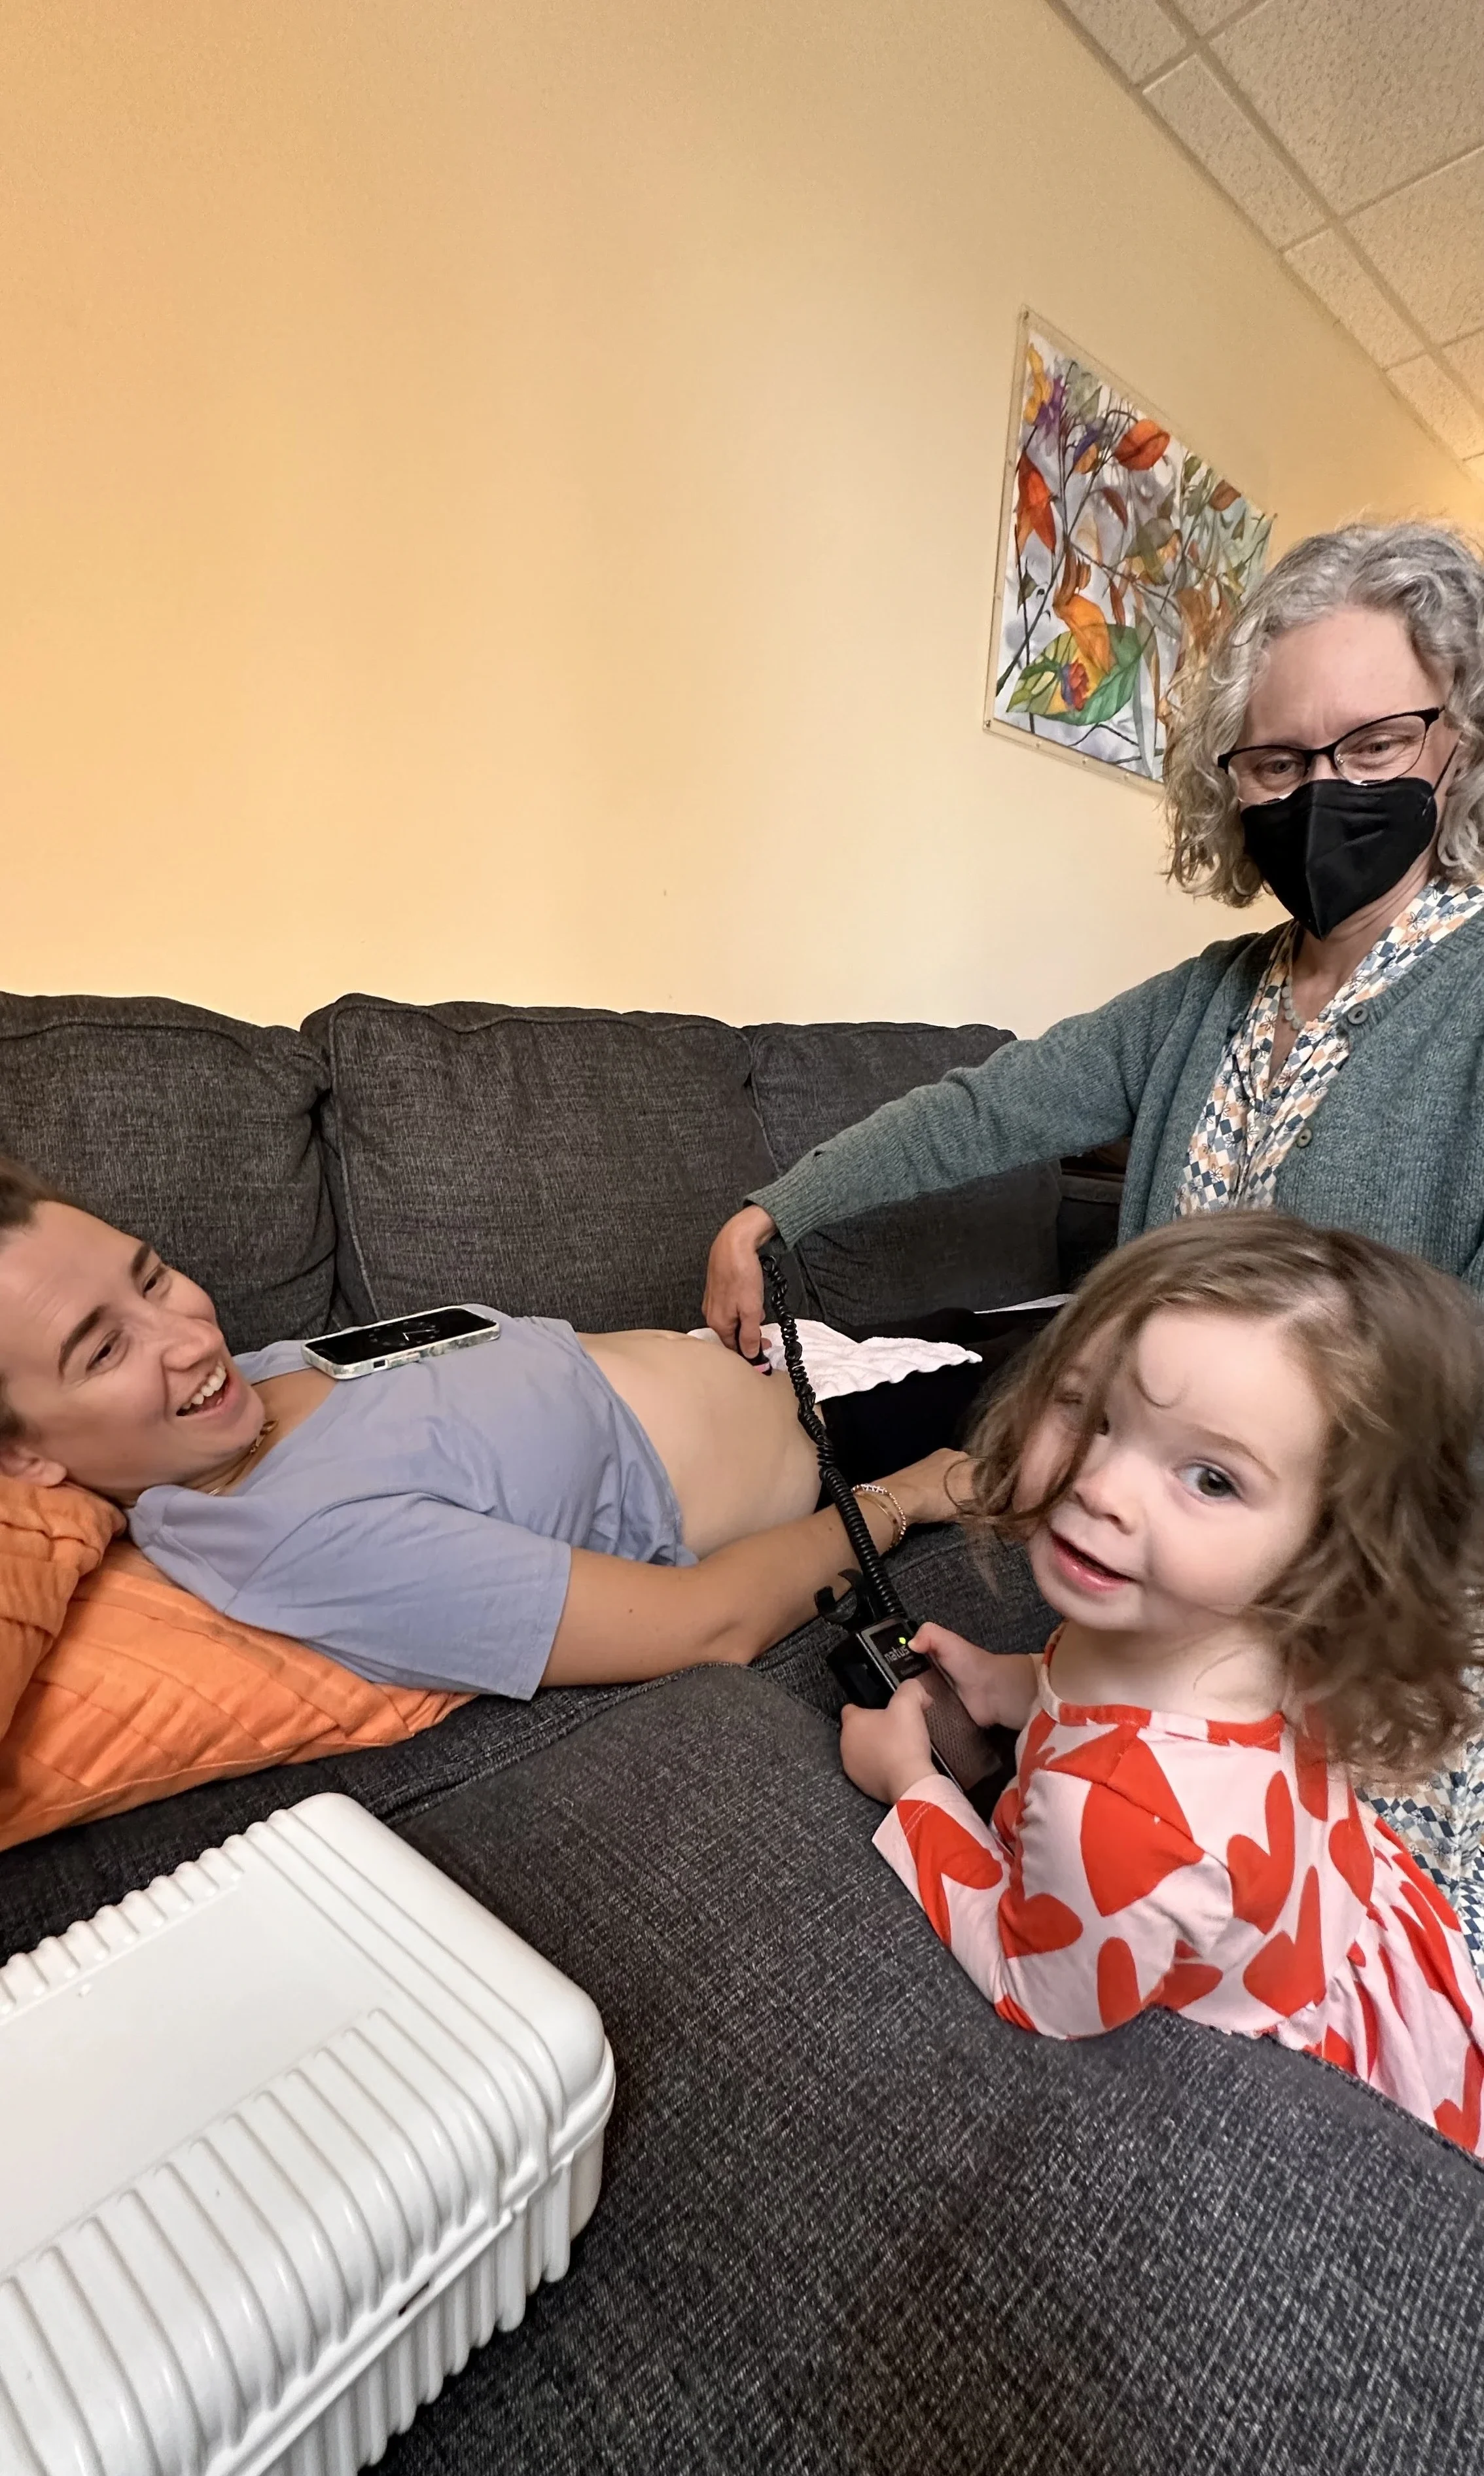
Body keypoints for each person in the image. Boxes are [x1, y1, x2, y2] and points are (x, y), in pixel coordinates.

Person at [704, 520, 1484, 1354]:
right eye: (1278, 764)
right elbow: (988, 1111)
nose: (1324, 788)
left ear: (1463, 747)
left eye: (1377, 745)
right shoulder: (1200, 1000)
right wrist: (774, 1212)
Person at [838, 1215, 1484, 2152]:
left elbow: (1034, 1986)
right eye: (1091, 1412)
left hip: (1308, 2060)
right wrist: (1010, 1686)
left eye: (1212, 1479)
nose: (1102, 1488)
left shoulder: (1111, 1817)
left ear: (1329, 1547)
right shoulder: (1219, 1617)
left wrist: (912, 1783)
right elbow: (1093, 1684)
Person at [0, 1161, 970, 1697]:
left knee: (1027, 1318)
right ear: (21, 1453)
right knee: (1055, 1369)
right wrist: (906, 1497)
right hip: (848, 1439)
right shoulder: (295, 1539)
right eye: (103, 1350)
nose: (188, 1335)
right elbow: (712, 1623)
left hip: (791, 1352)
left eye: (153, 1278)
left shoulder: (245, 1386)